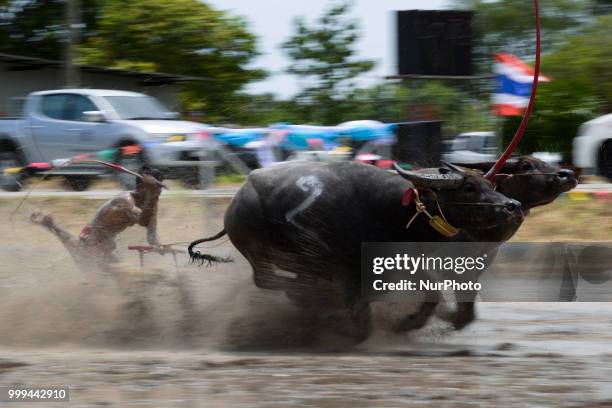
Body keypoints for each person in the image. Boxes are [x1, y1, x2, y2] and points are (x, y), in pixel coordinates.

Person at [30, 166, 164, 265]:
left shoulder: (151, 204)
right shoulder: (125, 200)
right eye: (155, 189)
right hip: (92, 236)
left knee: (106, 269)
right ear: (142, 186)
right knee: (87, 260)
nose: (158, 194)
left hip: (106, 241)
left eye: (159, 190)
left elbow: (151, 234)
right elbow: (141, 219)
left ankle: (49, 223)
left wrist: (159, 245)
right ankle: (49, 223)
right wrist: (151, 199)